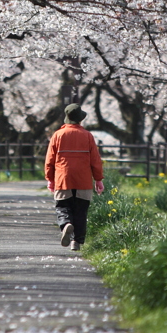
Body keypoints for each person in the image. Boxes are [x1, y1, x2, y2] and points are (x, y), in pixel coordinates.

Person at [45, 103, 104, 251]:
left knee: (63, 207)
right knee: (81, 211)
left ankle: (66, 224)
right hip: (83, 180)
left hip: (63, 177)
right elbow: (95, 160)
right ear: (80, 119)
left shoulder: (57, 135)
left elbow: (50, 160)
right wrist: (98, 179)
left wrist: (50, 179)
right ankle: (76, 242)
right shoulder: (88, 136)